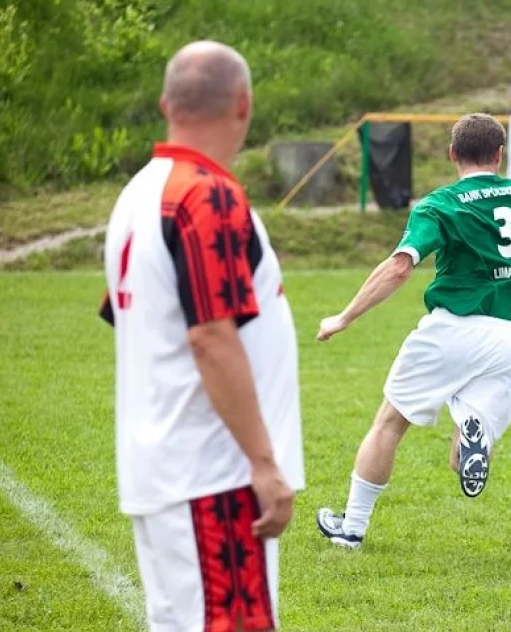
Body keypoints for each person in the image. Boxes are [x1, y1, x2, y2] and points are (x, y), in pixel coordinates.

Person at [101, 41, 303, 632]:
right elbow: (210, 336)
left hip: (164, 466)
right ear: (244, 104)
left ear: (167, 103)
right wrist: (264, 464)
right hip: (212, 474)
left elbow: (137, 318)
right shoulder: (204, 195)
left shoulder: (138, 193)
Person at [316, 114, 511, 549]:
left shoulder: (441, 204)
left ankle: (353, 528)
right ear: (499, 155)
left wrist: (344, 317)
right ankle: (472, 429)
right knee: (467, 448)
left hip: (452, 329)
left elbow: (400, 267)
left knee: (390, 423)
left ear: (452, 153)